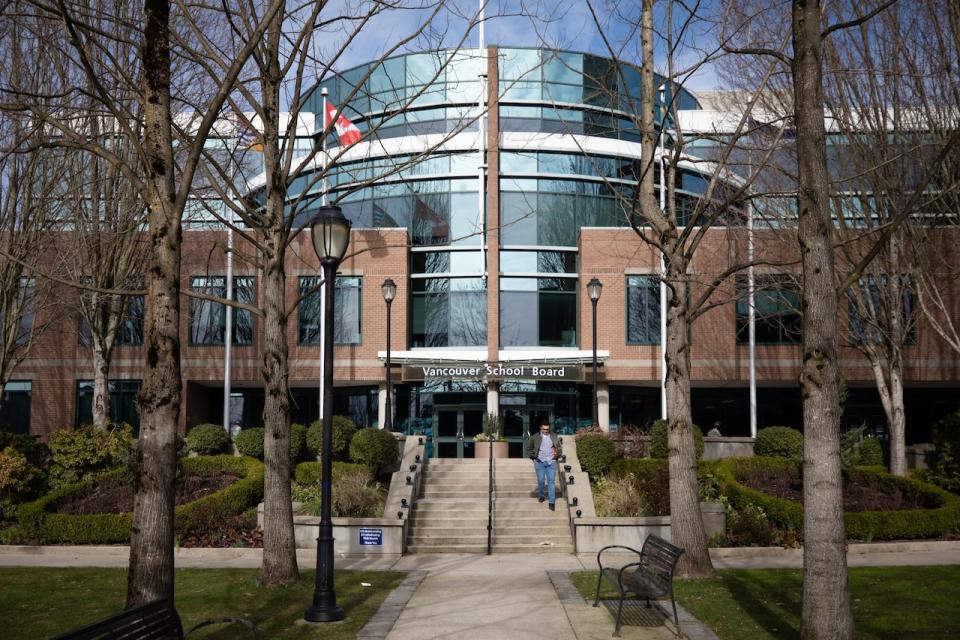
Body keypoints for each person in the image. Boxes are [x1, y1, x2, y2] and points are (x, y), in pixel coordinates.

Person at [528, 419, 562, 510]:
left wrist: (557, 455)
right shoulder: (534, 437)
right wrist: (534, 457)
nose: (546, 431)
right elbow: (529, 448)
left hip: (551, 462)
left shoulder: (554, 436)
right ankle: (542, 495)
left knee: (551, 482)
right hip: (540, 462)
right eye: (544, 429)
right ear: (541, 428)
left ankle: (552, 502)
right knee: (541, 480)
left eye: (547, 429)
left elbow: (559, 447)